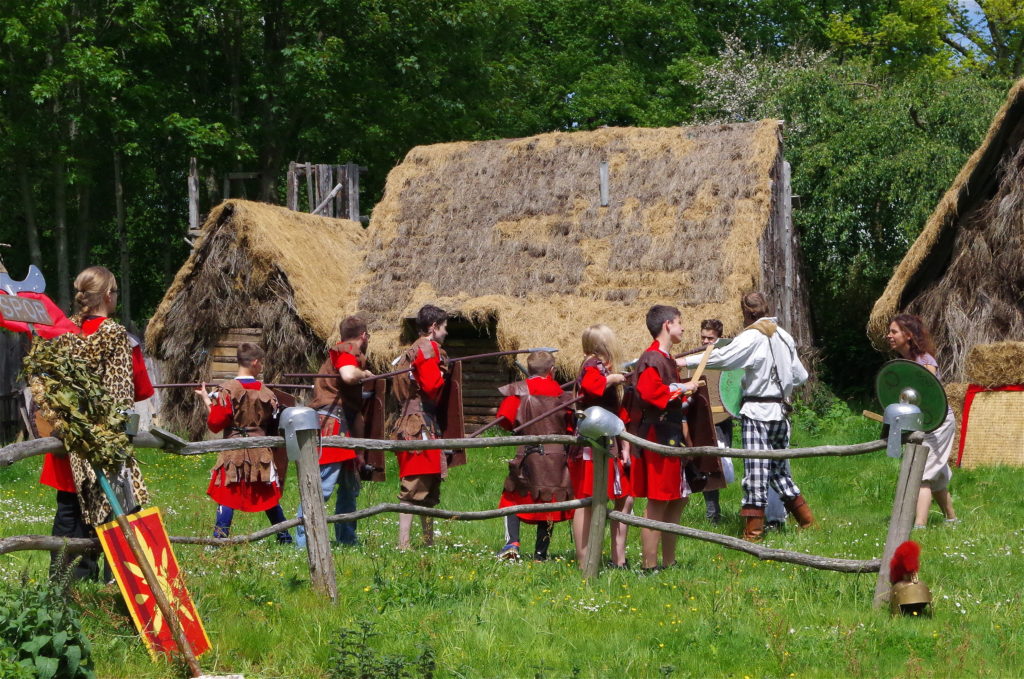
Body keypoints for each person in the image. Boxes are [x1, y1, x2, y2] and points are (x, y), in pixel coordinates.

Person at [38, 266, 153, 581]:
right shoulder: (118, 336)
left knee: (69, 516)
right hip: (104, 445)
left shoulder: (60, 332)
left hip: (67, 443)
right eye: (115, 291)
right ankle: (119, 583)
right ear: (108, 295)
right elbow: (140, 390)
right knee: (117, 512)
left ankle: (67, 588)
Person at [681, 292, 813, 542]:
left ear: (746, 312)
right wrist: (778, 384)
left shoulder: (751, 337)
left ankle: (753, 534)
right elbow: (801, 376)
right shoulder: (784, 336)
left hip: (757, 414)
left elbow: (722, 357)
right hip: (781, 413)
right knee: (779, 472)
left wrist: (684, 361)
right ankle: (808, 524)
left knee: (756, 473)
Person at [196, 342, 292, 543]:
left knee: (228, 494)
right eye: (261, 362)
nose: (262, 366)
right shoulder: (267, 392)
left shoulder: (226, 390)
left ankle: (218, 541)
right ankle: (284, 537)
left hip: (234, 452)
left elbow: (215, 424)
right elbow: (274, 423)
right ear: (255, 362)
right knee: (267, 495)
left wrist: (207, 401)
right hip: (260, 451)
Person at [626, 305, 698, 570]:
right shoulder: (652, 358)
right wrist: (682, 388)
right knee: (658, 500)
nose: (683, 327)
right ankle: (649, 566)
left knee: (678, 498)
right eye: (679, 322)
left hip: (671, 433)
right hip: (658, 435)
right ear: (667, 325)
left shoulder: (665, 359)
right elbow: (649, 393)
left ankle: (669, 561)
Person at [696, 319, 786, 527]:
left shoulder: (730, 359)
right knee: (707, 465)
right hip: (703, 420)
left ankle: (761, 515)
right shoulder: (698, 360)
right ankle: (712, 514)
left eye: (710, 338)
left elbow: (735, 387)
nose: (706, 341)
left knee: (724, 466)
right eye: (703, 337)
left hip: (722, 420)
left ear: (719, 338)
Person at [296, 316, 374, 547]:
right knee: (323, 486)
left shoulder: (342, 351)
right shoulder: (347, 350)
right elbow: (348, 375)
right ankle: (303, 543)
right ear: (363, 336)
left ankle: (347, 540)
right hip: (334, 424)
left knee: (349, 487)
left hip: (344, 424)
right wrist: (365, 374)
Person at [495, 351, 575, 561]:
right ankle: (540, 554)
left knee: (512, 498)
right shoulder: (561, 393)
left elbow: (505, 420)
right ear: (552, 370)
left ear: (528, 370)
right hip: (556, 457)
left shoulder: (520, 390)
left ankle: (512, 544)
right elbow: (570, 426)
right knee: (549, 502)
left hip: (528, 454)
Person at [570, 324, 634, 568]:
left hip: (609, 440)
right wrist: (611, 379)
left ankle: (617, 559)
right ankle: (584, 561)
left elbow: (616, 412)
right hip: (591, 443)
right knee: (586, 501)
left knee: (624, 498)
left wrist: (625, 445)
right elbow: (591, 387)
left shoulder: (599, 366)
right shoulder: (591, 365)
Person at [886, 313, 958, 527]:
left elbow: (927, 394)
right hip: (923, 423)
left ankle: (919, 525)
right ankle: (952, 519)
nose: (889, 335)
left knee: (922, 473)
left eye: (894, 331)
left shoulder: (925, 361)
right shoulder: (905, 363)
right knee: (936, 474)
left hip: (938, 422)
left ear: (908, 335)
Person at [389, 305, 449, 550]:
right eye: (444, 328)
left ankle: (427, 541)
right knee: (413, 487)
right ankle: (403, 545)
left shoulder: (415, 349)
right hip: (418, 424)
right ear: (433, 327)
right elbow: (432, 386)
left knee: (427, 487)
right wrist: (443, 373)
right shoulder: (426, 349)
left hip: (420, 421)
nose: (446, 333)